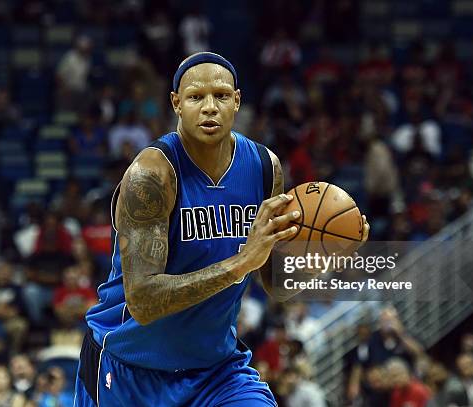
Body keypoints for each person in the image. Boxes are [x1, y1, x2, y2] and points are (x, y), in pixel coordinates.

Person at [74, 52, 370, 406]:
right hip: (128, 370)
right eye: (196, 97)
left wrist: (326, 254)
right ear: (176, 104)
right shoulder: (152, 174)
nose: (210, 107)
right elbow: (143, 301)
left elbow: (276, 282)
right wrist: (241, 264)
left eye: (222, 96)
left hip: (216, 373)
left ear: (238, 101)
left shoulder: (264, 167)